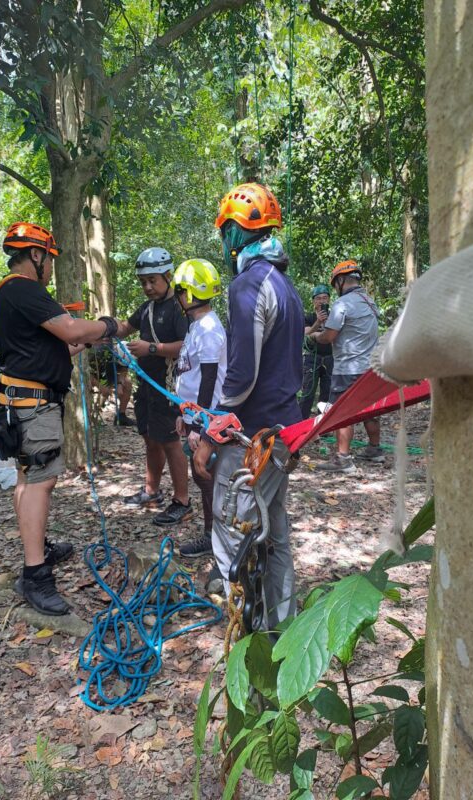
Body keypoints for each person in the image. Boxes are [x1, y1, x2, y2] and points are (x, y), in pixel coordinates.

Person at [0, 222, 118, 616]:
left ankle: (36, 548)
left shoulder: (10, 295)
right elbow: (71, 328)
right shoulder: (22, 289)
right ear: (37, 255)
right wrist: (110, 326)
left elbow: (52, 346)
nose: (51, 270)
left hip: (21, 401)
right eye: (50, 260)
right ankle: (35, 574)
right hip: (32, 406)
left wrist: (87, 341)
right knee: (40, 481)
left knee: (29, 479)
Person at [193, 183, 304, 629]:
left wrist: (208, 433)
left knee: (234, 532)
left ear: (236, 233)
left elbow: (240, 378)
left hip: (251, 438)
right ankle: (281, 626)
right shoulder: (286, 285)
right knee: (274, 534)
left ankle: (245, 636)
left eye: (225, 233)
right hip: (284, 432)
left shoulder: (247, 285)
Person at [114, 247, 192, 526]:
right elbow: (124, 327)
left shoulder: (178, 308)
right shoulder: (147, 308)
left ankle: (182, 501)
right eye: (143, 282)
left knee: (171, 441)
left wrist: (152, 348)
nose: (147, 287)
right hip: (146, 385)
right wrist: (102, 328)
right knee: (150, 437)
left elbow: (186, 346)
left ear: (168, 276)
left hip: (168, 385)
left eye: (153, 281)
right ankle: (152, 491)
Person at [171, 258, 227, 559]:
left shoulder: (208, 329)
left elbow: (208, 380)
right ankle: (214, 534)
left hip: (208, 421)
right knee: (203, 476)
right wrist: (184, 414)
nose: (178, 297)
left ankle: (214, 538)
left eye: (180, 292)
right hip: (196, 417)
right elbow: (188, 375)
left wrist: (200, 427)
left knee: (207, 477)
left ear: (188, 294)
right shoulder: (198, 326)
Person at [309, 260, 383, 473]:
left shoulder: (342, 304)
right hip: (370, 368)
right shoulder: (369, 301)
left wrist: (315, 337)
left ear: (340, 281)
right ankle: (374, 449)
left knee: (340, 412)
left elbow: (330, 336)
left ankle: (343, 459)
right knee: (370, 409)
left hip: (348, 368)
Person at [299, 284, 334, 419]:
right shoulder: (309, 317)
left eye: (325, 298)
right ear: (314, 301)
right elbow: (306, 332)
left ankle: (322, 425)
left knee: (327, 392)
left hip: (330, 358)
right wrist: (318, 323)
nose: (322, 301)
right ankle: (301, 423)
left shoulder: (335, 316)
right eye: (318, 298)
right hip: (311, 358)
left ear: (329, 300)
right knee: (308, 392)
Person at [89, 346, 134, 426]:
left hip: (110, 375)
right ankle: (92, 417)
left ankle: (121, 416)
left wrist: (120, 384)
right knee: (91, 385)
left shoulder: (126, 354)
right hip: (96, 376)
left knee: (127, 383)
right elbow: (87, 374)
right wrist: (100, 386)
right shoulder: (98, 354)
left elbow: (124, 370)